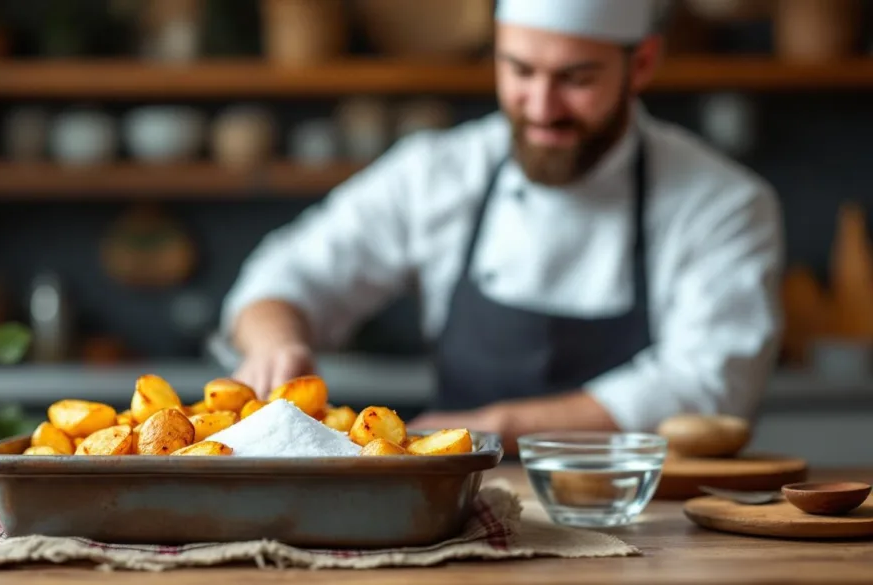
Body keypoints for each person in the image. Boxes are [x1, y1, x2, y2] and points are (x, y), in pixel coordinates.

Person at [216, 0, 784, 450]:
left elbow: (708, 385)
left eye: (576, 78)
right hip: (455, 510)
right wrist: (276, 341)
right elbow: (288, 271)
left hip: (641, 518)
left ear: (640, 65)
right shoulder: (436, 172)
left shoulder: (723, 203)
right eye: (519, 70)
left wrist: (499, 426)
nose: (541, 105)